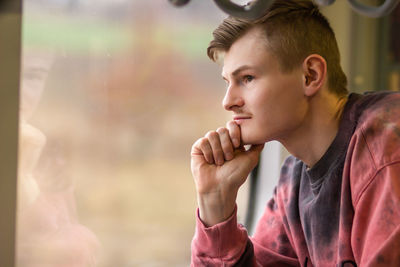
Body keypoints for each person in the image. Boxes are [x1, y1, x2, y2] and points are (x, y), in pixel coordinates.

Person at [190, 0, 400, 266]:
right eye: (227, 82)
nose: (228, 101)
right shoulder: (294, 180)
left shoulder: (386, 148)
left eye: (247, 78)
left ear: (310, 76)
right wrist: (214, 204)